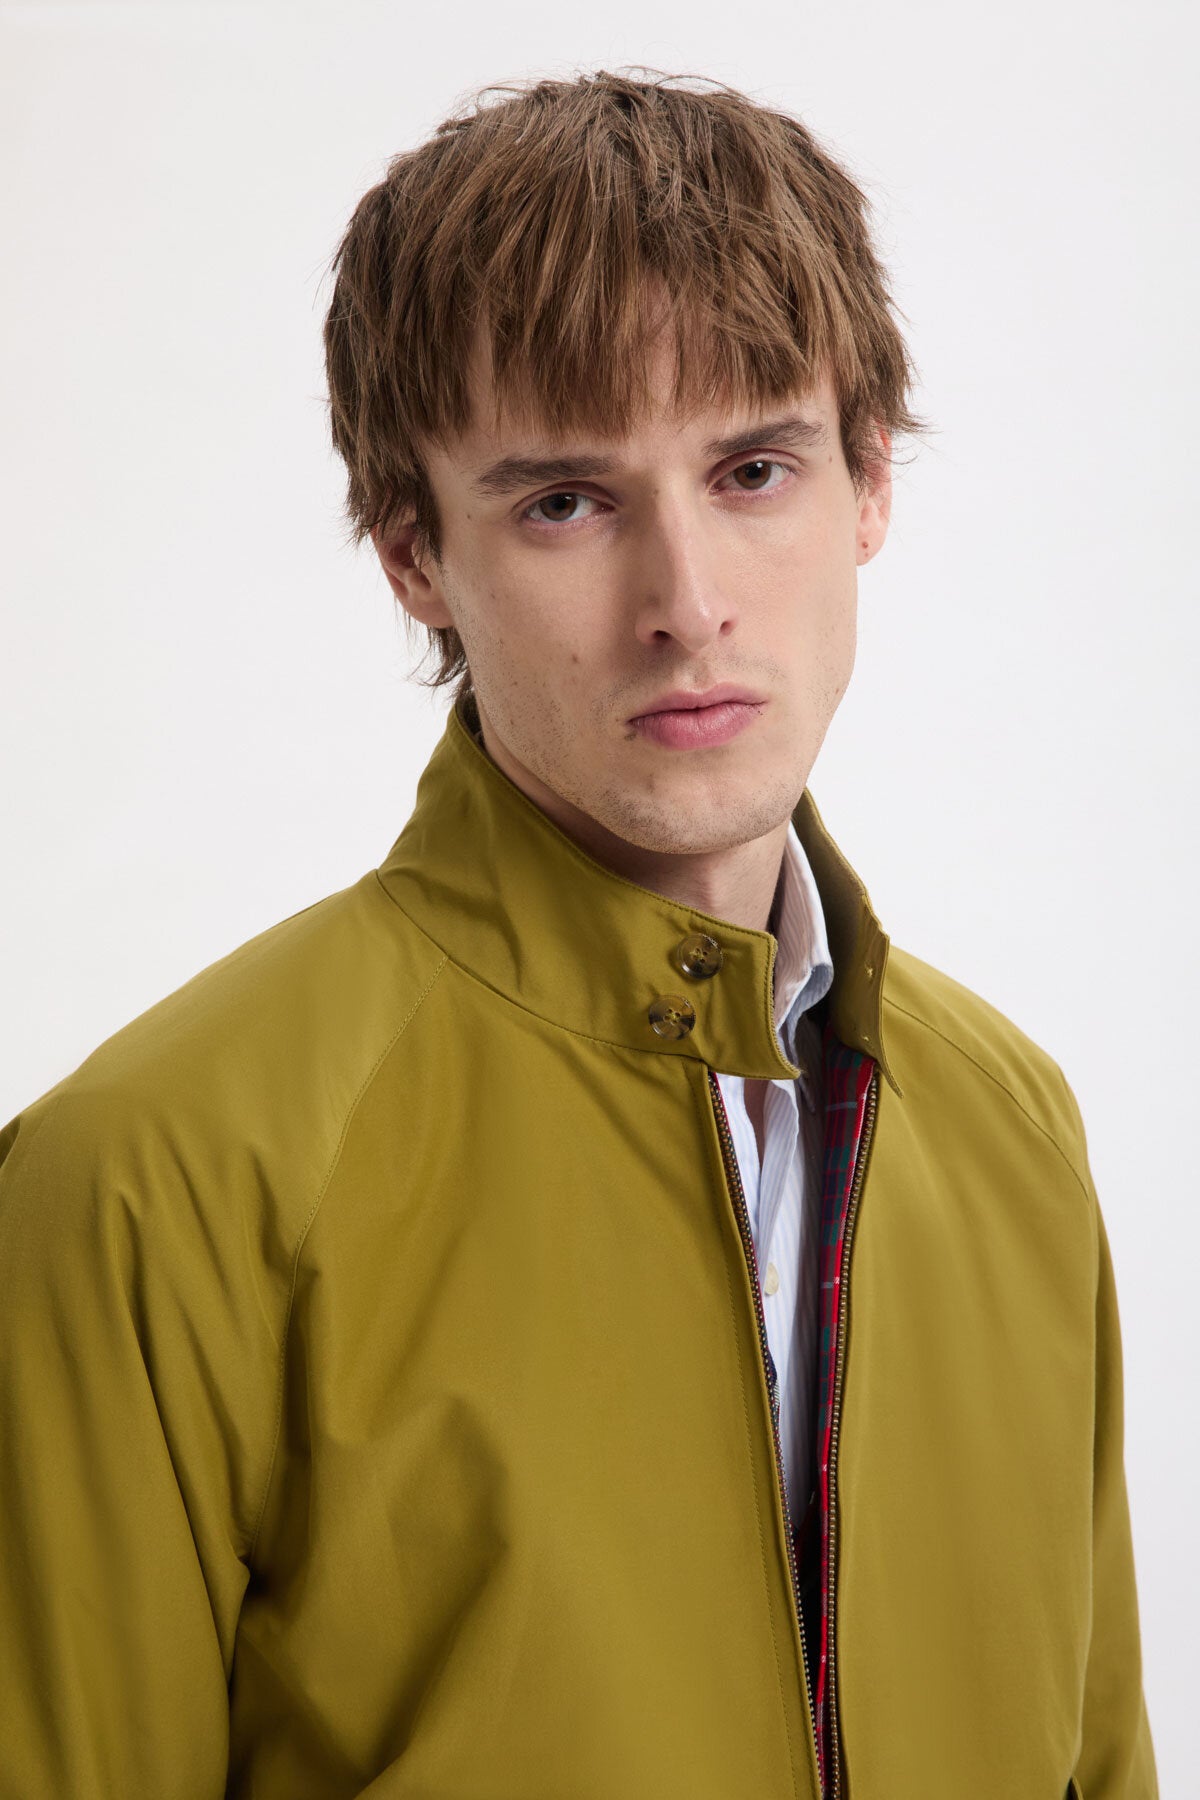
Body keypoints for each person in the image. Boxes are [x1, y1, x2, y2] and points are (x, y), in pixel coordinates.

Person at [0, 67, 1157, 1800]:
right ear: (412, 552)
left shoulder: (1011, 1127)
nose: (686, 602)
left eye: (753, 469)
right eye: (564, 501)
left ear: (868, 484)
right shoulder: (152, 1182)